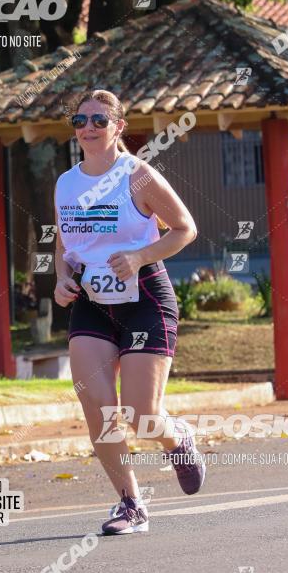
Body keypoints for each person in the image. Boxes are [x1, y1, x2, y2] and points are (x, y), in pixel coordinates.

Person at [54, 89, 205, 536]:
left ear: (119, 127)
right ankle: (130, 503)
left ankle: (178, 439)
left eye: (99, 120)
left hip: (144, 299)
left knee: (141, 415)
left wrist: (139, 256)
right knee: (97, 408)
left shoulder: (137, 176)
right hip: (91, 305)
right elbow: (65, 247)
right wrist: (61, 279)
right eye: (79, 121)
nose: (87, 129)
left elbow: (185, 229)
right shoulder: (66, 183)